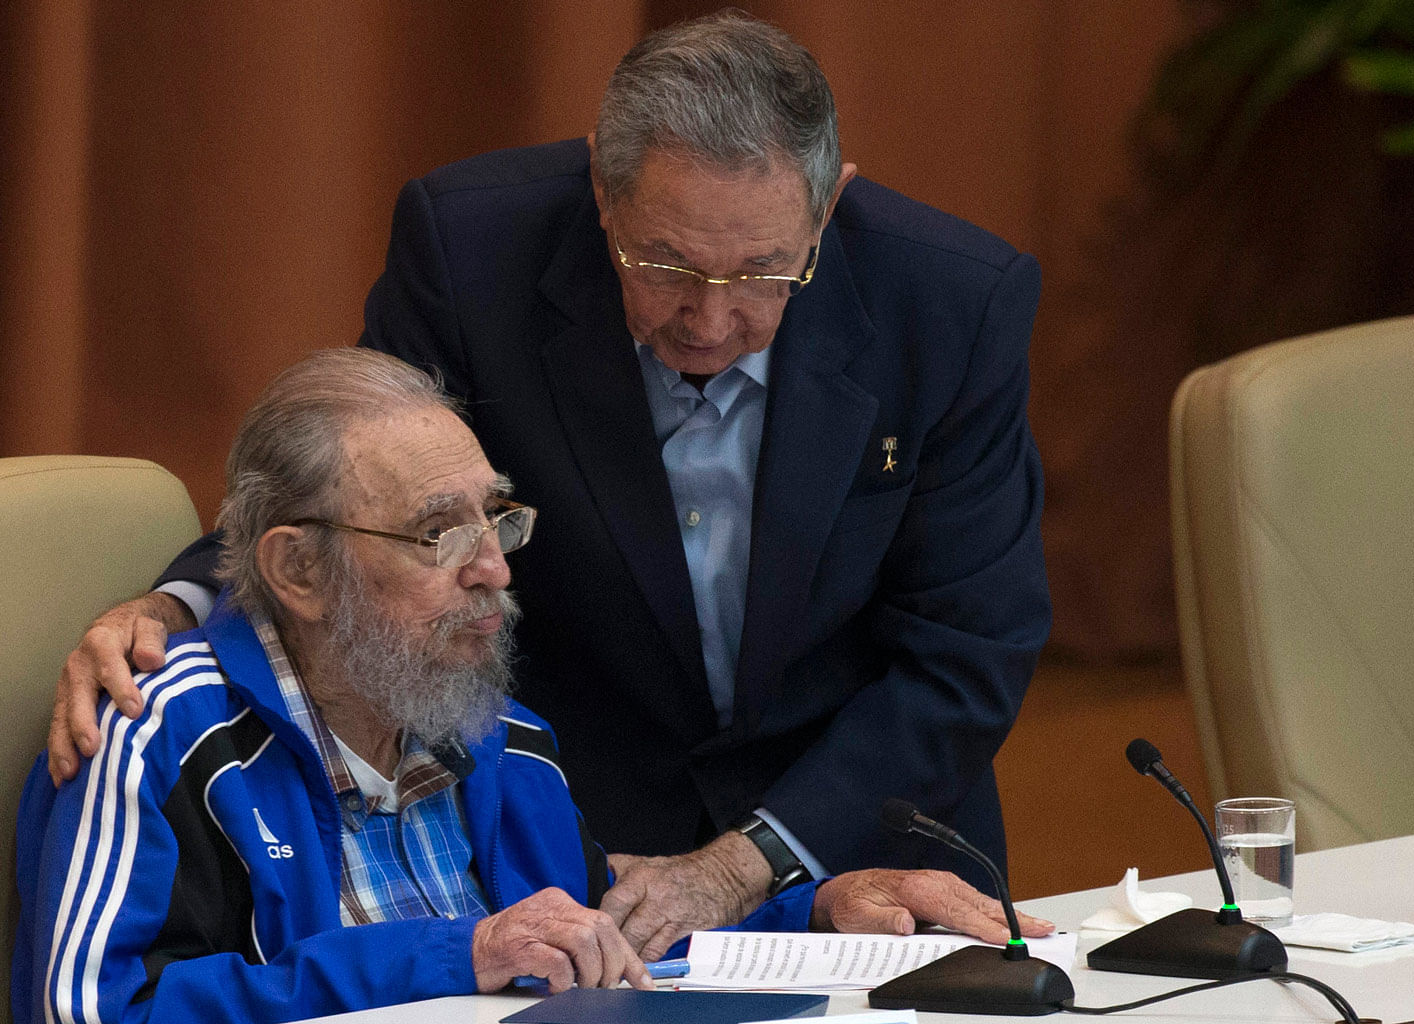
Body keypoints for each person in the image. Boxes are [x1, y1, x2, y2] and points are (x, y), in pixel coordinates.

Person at [47, 11, 1049, 959]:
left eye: (759, 272)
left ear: (828, 208)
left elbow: (965, 650)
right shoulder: (473, 248)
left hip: (853, 856)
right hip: (581, 859)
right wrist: (174, 600)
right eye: (662, 262)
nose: (708, 318)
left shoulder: (953, 302)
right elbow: (350, 472)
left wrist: (764, 865)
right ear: (602, 192)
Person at [14, 349, 1049, 1024]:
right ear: (296, 570)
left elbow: (603, 943)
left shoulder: (499, 732)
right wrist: (450, 954)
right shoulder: (162, 732)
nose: (494, 569)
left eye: (495, 519)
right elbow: (87, 1011)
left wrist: (822, 912)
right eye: (436, 533)